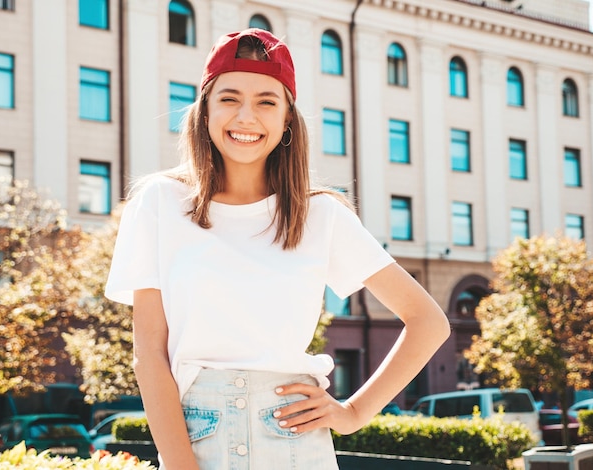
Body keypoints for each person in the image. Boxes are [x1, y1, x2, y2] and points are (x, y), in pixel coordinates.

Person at [105, 28, 451, 470]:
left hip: (293, 439)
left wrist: (353, 413)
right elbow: (149, 353)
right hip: (195, 437)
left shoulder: (321, 214)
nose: (246, 116)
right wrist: (180, 464)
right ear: (205, 109)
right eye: (229, 98)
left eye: (266, 102)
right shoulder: (159, 202)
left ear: (287, 118)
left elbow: (428, 321)